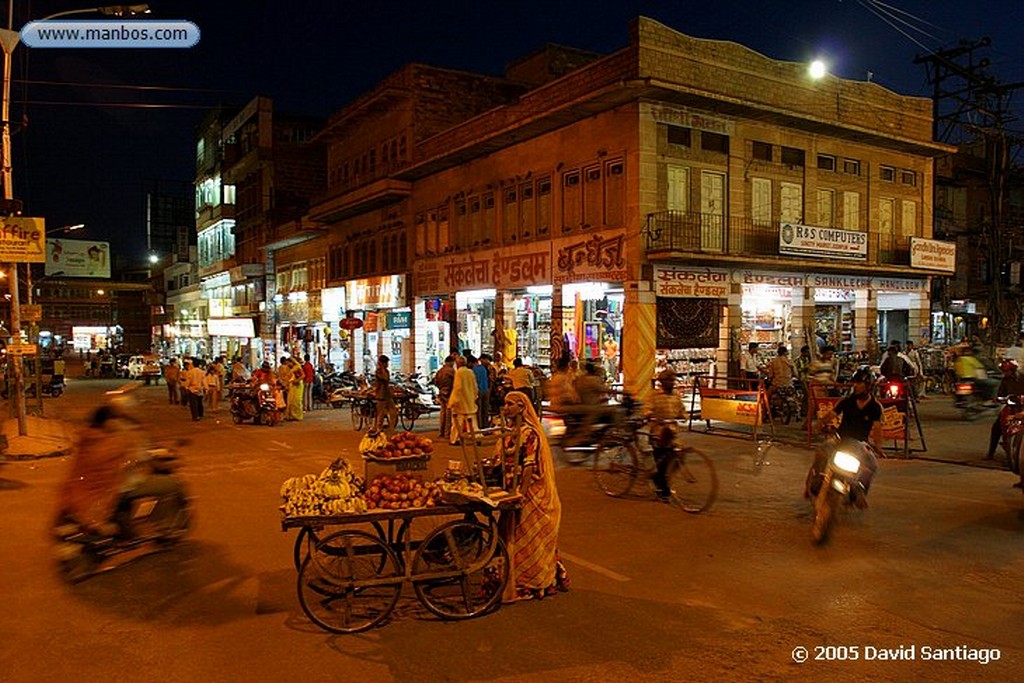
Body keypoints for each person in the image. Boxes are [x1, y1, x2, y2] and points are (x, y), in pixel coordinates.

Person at [497, 391, 569, 602]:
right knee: (513, 536)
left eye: (511, 404)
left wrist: (521, 493)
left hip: (532, 493)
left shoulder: (530, 434)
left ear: (522, 408)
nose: (506, 407)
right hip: (512, 488)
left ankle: (533, 583)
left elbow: (529, 466)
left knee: (529, 539)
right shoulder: (510, 431)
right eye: (505, 403)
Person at [805, 367, 882, 506]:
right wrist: (819, 425)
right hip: (840, 439)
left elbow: (877, 429)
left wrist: (878, 447)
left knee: (872, 465)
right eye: (855, 383)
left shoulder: (876, 407)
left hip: (861, 444)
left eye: (859, 383)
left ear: (868, 386)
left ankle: (859, 492)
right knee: (821, 452)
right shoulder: (846, 401)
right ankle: (812, 483)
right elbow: (831, 415)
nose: (855, 386)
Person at [647, 369, 686, 501]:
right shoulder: (655, 396)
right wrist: (650, 416)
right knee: (662, 462)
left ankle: (661, 481)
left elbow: (682, 410)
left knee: (678, 457)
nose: (671, 383)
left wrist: (683, 416)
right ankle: (662, 488)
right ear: (662, 382)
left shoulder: (676, 395)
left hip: (673, 433)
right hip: (658, 433)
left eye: (672, 380)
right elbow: (647, 409)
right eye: (668, 380)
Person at [985, 360, 1024, 461]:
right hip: (1012, 406)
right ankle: (990, 453)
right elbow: (1000, 395)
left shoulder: (1022, 378)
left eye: (1007, 371)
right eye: (1004, 371)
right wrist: (1000, 399)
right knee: (996, 428)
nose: (1006, 373)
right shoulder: (1005, 380)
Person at [448, 355, 479, 444]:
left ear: (457, 364)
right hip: (470, 401)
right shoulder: (470, 372)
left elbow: (457, 388)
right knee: (472, 423)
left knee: (457, 423)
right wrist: (474, 397)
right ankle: (476, 437)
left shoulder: (459, 373)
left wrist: (452, 401)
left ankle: (455, 439)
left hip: (460, 402)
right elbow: (475, 387)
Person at [432, 354, 456, 439]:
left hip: (441, 393)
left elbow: (435, 382)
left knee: (442, 413)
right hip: (449, 393)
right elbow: (456, 382)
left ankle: (441, 432)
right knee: (448, 414)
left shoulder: (440, 371)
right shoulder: (451, 371)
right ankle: (447, 433)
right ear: (450, 362)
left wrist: (440, 388)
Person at [372, 355, 396, 432]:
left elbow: (387, 379)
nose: (387, 364)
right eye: (386, 363)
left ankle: (391, 427)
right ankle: (378, 429)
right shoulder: (378, 372)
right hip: (381, 395)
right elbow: (385, 378)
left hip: (388, 395)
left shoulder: (387, 371)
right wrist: (381, 367)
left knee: (393, 412)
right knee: (380, 414)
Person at [471, 354, 491, 428]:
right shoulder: (484, 368)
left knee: (479, 410)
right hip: (485, 390)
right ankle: (485, 426)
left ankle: (479, 426)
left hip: (478, 391)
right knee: (485, 410)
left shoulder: (474, 369)